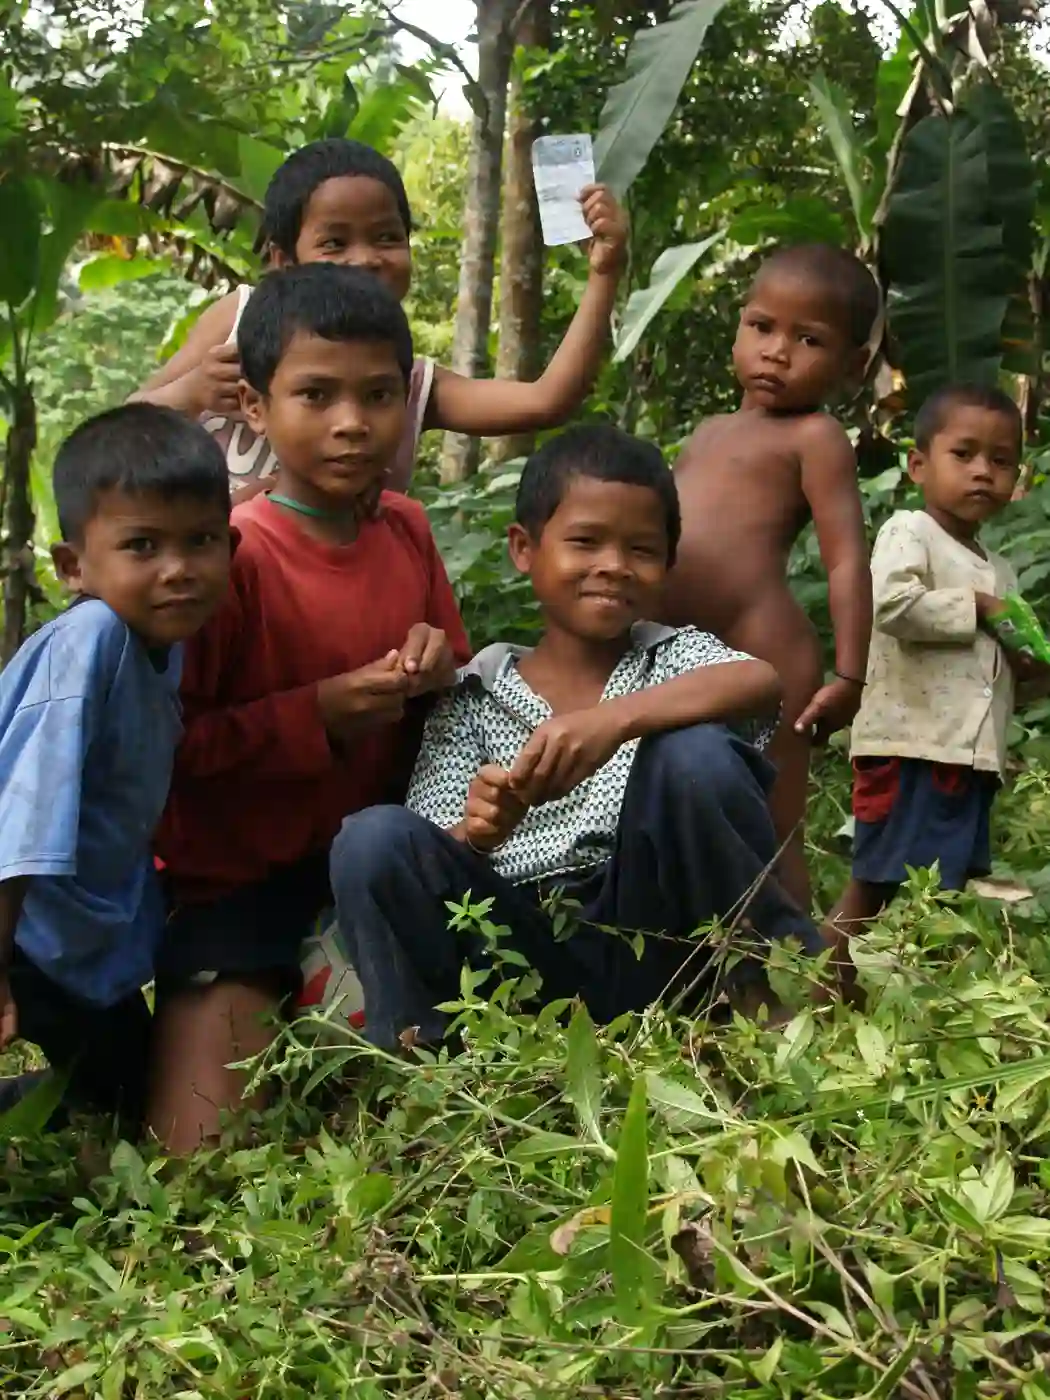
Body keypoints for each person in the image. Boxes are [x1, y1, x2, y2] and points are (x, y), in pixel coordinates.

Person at [329, 425, 826, 1051]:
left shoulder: (672, 657)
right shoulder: (473, 693)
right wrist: (480, 832)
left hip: (659, 937)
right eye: (586, 541)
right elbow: (432, 842)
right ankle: (425, 1059)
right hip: (516, 953)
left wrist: (612, 722)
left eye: (641, 549)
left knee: (695, 755)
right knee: (371, 839)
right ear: (523, 548)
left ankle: (762, 994)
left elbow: (760, 681)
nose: (613, 566)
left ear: (668, 564)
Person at [151, 262, 471, 1152]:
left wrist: (437, 664)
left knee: (405, 1115)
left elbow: (456, 693)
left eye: (378, 395)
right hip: (237, 885)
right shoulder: (232, 556)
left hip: (370, 875)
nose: (351, 422)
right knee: (198, 1156)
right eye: (316, 394)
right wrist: (316, 713)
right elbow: (173, 752)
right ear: (255, 408)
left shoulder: (406, 527)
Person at [131, 137, 628, 492]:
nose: (366, 258)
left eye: (387, 237)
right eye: (335, 242)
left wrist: (604, 273)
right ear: (283, 260)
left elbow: (545, 400)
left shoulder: (405, 382)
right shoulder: (236, 322)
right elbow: (121, 428)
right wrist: (190, 391)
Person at [0, 405, 232, 1129]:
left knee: (127, 1091)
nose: (178, 570)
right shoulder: (93, 638)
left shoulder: (159, 641)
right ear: (73, 566)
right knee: (123, 1096)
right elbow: (23, 817)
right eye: (142, 545)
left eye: (201, 541)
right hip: (24, 927)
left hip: (72, 935)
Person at [662, 243, 879, 911]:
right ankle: (703, 952)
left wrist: (851, 675)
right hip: (672, 649)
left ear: (852, 365)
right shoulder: (707, 432)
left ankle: (798, 959)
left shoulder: (815, 438)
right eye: (762, 327)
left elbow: (846, 559)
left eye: (808, 339)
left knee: (775, 826)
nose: (776, 352)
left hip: (764, 647)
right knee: (675, 804)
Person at [826, 384, 1050, 947]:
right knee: (875, 880)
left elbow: (988, 671)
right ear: (918, 466)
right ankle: (827, 980)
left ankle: (904, 978)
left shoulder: (998, 568)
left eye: (1001, 461)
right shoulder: (910, 531)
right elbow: (891, 605)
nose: (983, 472)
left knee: (941, 883)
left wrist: (1029, 670)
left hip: (964, 754)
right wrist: (978, 607)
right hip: (909, 745)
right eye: (964, 454)